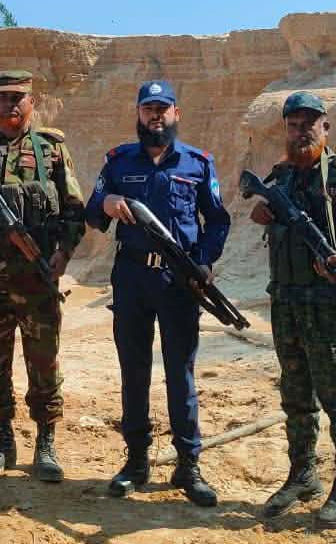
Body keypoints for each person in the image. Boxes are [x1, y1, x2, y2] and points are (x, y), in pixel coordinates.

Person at [83, 79, 231, 507]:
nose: (155, 116)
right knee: (134, 370)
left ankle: (188, 465)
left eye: (163, 108)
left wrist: (204, 262)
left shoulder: (198, 163)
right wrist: (107, 202)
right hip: (131, 278)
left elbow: (217, 220)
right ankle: (136, 462)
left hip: (178, 282)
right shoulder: (118, 162)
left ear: (175, 114)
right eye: (148, 108)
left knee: (180, 373)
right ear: (138, 114)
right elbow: (92, 213)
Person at [251, 91, 336, 523]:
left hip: (329, 306)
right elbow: (270, 220)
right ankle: (302, 475)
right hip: (286, 303)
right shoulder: (281, 178)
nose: (300, 131)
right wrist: (263, 214)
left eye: (309, 124)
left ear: (325, 127)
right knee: (296, 398)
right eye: (293, 125)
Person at [0, 70, 86, 483]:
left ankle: (45, 443)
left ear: (31, 103)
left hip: (37, 276)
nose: (10, 104)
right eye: (3, 97)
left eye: (18, 97)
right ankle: (2, 441)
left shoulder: (51, 150)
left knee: (43, 361)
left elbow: (74, 210)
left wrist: (63, 254)